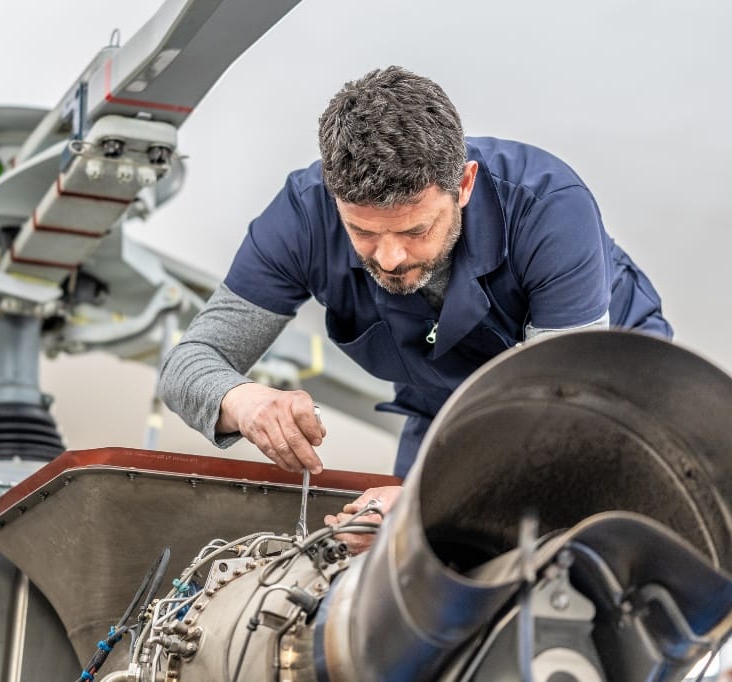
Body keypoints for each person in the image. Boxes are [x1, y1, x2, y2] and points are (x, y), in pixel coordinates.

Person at [157, 66, 670, 550]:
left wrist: (424, 504)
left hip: (604, 405)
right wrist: (243, 402)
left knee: (579, 558)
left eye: (416, 230)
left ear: (464, 184)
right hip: (447, 409)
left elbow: (561, 417)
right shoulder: (301, 218)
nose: (389, 257)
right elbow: (187, 364)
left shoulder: (550, 209)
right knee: (399, 575)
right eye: (362, 230)